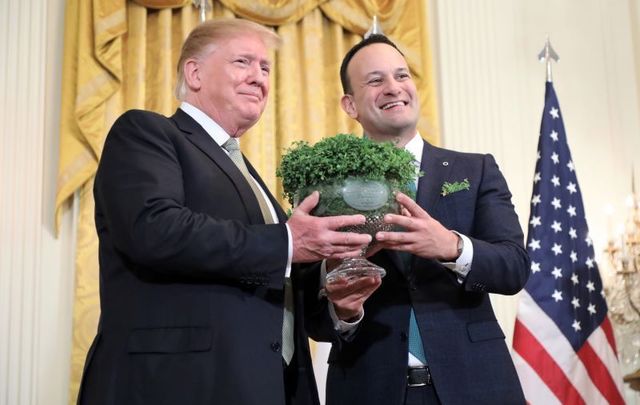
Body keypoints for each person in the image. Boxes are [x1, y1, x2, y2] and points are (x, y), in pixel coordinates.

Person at [76, 19, 375, 405]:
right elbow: (154, 230)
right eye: (243, 62)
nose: (259, 78)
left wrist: (337, 303)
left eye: (265, 68)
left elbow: (270, 283)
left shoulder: (252, 177)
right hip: (177, 385)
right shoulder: (147, 133)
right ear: (194, 73)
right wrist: (287, 240)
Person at [304, 34, 530, 405]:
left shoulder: (475, 169)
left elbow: (514, 268)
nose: (394, 88)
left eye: (402, 76)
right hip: (368, 388)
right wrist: (343, 310)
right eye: (375, 81)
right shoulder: (325, 186)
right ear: (350, 104)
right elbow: (311, 315)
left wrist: (452, 247)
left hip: (477, 384)